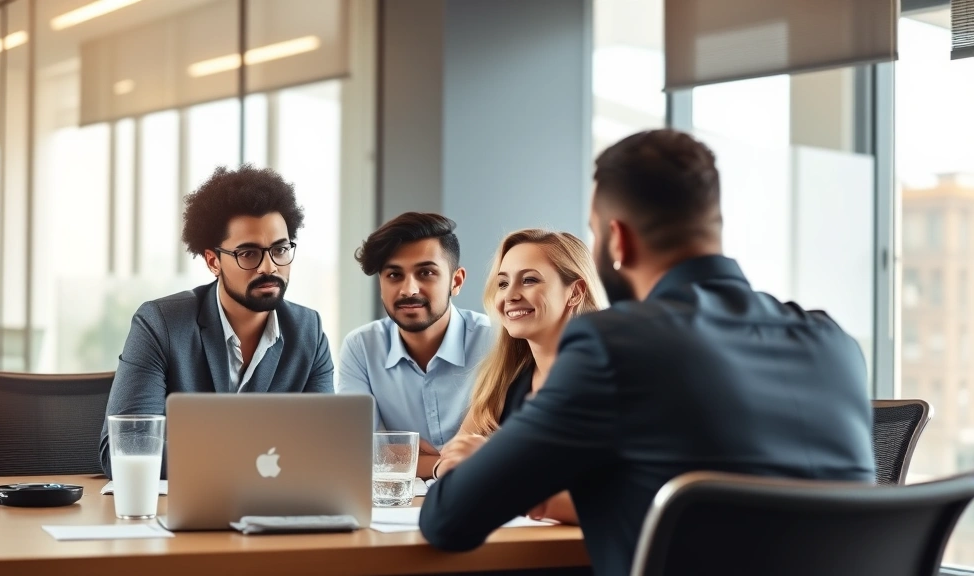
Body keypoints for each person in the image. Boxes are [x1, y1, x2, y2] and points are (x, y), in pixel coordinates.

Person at [419, 129, 876, 576]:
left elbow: (449, 521)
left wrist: (479, 465)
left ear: (617, 239)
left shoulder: (612, 347)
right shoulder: (834, 344)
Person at [99, 166, 334, 479]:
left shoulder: (309, 331)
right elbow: (125, 449)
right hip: (177, 519)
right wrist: (259, 460)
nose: (269, 267)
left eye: (280, 250)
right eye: (248, 253)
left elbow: (327, 447)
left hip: (276, 512)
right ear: (213, 261)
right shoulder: (161, 324)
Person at [434, 229, 605, 525]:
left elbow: (613, 497)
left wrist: (493, 465)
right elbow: (450, 460)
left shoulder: (606, 380)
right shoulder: (504, 381)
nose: (510, 295)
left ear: (575, 292)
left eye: (529, 280)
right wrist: (448, 467)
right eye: (502, 283)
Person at [337, 212, 494, 478]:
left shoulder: (496, 342)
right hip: (398, 505)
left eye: (426, 273)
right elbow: (357, 451)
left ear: (456, 281)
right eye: (394, 275)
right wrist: (440, 465)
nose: (409, 289)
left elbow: (509, 449)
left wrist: (398, 454)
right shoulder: (361, 347)